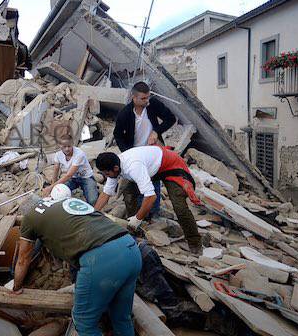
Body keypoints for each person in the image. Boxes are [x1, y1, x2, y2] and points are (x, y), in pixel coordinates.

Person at [13, 186, 141, 336]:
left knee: (83, 322)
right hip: (130, 248)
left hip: (101, 260)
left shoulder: (30, 217)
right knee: (121, 318)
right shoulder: (67, 202)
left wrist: (17, 286)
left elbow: (23, 259)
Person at [93, 145, 203, 254]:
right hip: (152, 167)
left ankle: (195, 243)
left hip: (171, 165)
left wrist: (138, 218)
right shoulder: (113, 166)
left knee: (179, 207)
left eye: (107, 174)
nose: (106, 177)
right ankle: (134, 230)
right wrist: (93, 214)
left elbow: (151, 197)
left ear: (116, 168)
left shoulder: (133, 167)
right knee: (129, 193)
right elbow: (106, 193)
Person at [112, 81, 176, 217]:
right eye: (143, 98)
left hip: (152, 152)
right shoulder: (124, 114)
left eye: (148, 97)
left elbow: (171, 119)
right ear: (133, 97)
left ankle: (153, 215)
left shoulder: (153, 105)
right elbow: (117, 135)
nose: (147, 100)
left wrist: (156, 131)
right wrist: (127, 152)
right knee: (135, 185)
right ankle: (138, 214)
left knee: (154, 182)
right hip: (134, 154)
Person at [42, 134, 98, 205]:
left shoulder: (79, 154)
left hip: (86, 177)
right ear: (60, 145)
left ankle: (92, 187)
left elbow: (68, 175)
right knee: (57, 194)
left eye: (69, 146)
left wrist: (50, 187)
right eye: (64, 146)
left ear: (73, 144)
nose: (67, 149)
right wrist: (53, 187)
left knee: (92, 200)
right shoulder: (58, 154)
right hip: (73, 179)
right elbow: (56, 170)